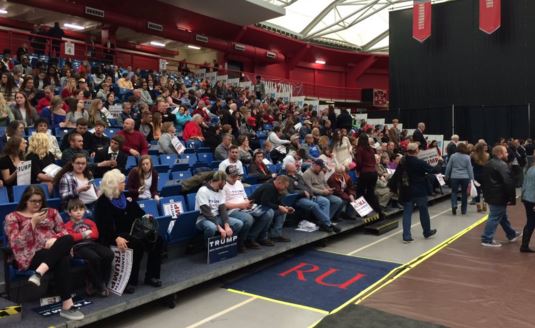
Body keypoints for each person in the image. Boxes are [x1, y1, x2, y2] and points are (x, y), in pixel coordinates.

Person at [4, 186, 84, 320]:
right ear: (25, 201)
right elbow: (16, 243)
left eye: (40, 201)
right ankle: (67, 305)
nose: (37, 204)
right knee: (62, 258)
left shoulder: (51, 212)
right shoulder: (12, 217)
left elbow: (63, 231)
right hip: (30, 255)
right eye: (33, 201)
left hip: (52, 251)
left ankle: (39, 273)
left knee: (68, 239)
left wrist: (55, 239)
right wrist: (32, 223)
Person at [94, 169, 163, 293]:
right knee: (136, 244)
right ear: (114, 184)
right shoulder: (102, 202)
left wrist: (146, 217)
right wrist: (115, 237)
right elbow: (103, 227)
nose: (124, 184)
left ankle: (151, 276)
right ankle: (130, 281)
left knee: (157, 239)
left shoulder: (124, 196)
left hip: (132, 231)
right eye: (122, 182)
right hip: (113, 236)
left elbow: (138, 213)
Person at [390, 143, 439, 243]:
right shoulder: (420, 162)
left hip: (407, 190)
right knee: (423, 211)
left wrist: (393, 188)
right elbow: (433, 170)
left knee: (407, 213)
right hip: (420, 190)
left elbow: (396, 176)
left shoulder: (402, 162)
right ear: (416, 151)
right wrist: (440, 162)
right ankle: (426, 231)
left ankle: (406, 235)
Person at [64, 198, 114, 297]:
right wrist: (84, 234)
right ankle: (100, 286)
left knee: (109, 254)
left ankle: (102, 282)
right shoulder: (67, 225)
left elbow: (96, 234)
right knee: (94, 258)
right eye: (75, 210)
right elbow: (71, 237)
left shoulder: (89, 222)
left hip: (92, 244)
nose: (78, 212)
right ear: (69, 213)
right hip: (78, 247)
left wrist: (81, 235)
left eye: (81, 209)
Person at [480, 145, 521, 247]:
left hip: (491, 195)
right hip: (498, 196)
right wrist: (511, 199)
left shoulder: (488, 164)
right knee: (494, 217)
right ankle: (487, 239)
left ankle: (511, 234)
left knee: (502, 216)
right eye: (506, 152)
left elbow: (484, 181)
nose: (507, 154)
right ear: (500, 153)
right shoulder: (502, 165)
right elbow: (508, 182)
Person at [285, 162, 340, 232]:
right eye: (294, 166)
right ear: (289, 169)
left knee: (325, 201)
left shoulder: (298, 176)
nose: (296, 167)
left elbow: (307, 187)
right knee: (314, 205)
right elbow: (291, 191)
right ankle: (328, 224)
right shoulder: (287, 178)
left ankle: (324, 224)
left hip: (310, 196)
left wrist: (312, 194)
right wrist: (303, 193)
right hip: (299, 199)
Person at [195, 171, 244, 245]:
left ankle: (224, 245)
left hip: (217, 217)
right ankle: (207, 247)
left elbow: (223, 210)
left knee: (238, 224)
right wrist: (219, 227)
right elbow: (206, 213)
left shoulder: (220, 191)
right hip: (203, 218)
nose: (225, 184)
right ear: (221, 180)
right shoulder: (203, 191)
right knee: (212, 227)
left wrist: (226, 226)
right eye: (225, 182)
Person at [250, 175, 293, 243]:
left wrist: (285, 207)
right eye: (285, 186)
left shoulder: (276, 188)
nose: (285, 189)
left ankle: (275, 235)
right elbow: (264, 203)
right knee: (270, 213)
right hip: (255, 209)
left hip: (263, 208)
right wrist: (279, 207)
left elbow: (276, 201)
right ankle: (259, 237)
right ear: (279, 183)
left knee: (282, 211)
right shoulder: (269, 187)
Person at [222, 166, 255, 251]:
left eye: (236, 176)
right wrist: (240, 205)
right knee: (248, 219)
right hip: (231, 210)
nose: (235, 178)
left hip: (243, 207)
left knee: (266, 212)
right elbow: (223, 205)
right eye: (232, 176)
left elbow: (245, 197)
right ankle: (240, 242)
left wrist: (248, 203)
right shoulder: (223, 185)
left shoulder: (239, 183)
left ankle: (252, 239)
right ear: (226, 175)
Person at [354, 133, 384, 219]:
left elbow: (359, 162)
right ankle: (379, 212)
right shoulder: (371, 149)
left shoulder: (360, 149)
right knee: (371, 193)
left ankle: (364, 213)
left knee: (359, 192)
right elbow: (374, 161)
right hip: (373, 173)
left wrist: (358, 171)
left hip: (365, 173)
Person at [445, 143, 474, 215]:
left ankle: (454, 205)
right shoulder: (467, 157)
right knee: (464, 193)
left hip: (454, 177)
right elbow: (470, 169)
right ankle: (463, 210)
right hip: (465, 177)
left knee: (454, 192)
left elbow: (448, 166)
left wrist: (446, 175)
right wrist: (472, 179)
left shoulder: (453, 156)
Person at [521, 161, 535, 252]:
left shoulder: (530, 168)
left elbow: (524, 184)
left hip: (527, 198)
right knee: (531, 223)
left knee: (530, 222)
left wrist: (523, 196)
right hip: (533, 200)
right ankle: (524, 246)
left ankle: (524, 245)